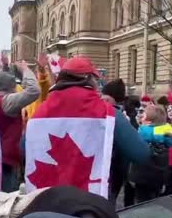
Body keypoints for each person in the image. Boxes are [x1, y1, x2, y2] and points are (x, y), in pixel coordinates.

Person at [24, 56, 150, 199]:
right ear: (88, 79)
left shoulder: (39, 113)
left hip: (45, 201)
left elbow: (23, 149)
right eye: (95, 79)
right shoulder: (108, 113)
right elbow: (141, 153)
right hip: (90, 205)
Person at [0, 60, 40, 192]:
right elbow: (34, 91)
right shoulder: (7, 102)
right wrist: (25, 70)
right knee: (6, 199)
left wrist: (5, 67)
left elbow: (0, 81)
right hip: (6, 160)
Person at [129, 106, 172, 203]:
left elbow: (136, 159)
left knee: (141, 202)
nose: (142, 117)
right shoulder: (166, 133)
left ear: (149, 121)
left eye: (144, 115)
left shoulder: (144, 133)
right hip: (159, 178)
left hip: (142, 178)